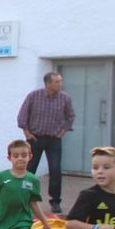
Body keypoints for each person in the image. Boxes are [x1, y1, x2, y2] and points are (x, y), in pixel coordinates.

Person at [16, 71, 75, 214]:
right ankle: (23, 198)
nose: (60, 84)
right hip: (35, 138)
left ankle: (55, 202)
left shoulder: (65, 98)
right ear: (48, 83)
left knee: (55, 170)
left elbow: (70, 116)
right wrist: (27, 133)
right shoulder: (33, 96)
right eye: (57, 82)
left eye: (60, 81)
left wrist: (62, 133)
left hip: (54, 139)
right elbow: (22, 116)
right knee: (30, 169)